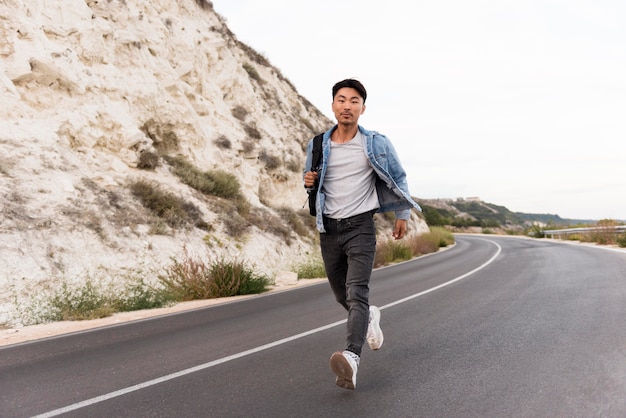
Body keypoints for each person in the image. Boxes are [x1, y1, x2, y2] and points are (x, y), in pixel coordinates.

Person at [303, 79, 421, 390]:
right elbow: (312, 186)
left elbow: (398, 177)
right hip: (328, 228)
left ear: (362, 108)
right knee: (341, 295)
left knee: (357, 293)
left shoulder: (376, 143)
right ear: (332, 105)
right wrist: (309, 181)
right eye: (341, 99)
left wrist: (403, 214)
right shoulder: (317, 145)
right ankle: (369, 318)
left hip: (361, 227)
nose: (347, 105)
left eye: (354, 101)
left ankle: (352, 358)